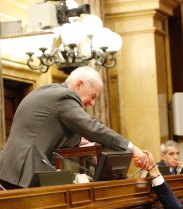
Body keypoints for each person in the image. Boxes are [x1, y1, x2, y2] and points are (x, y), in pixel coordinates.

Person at [0, 66, 149, 189]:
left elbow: (47, 131)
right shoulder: (64, 96)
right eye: (93, 96)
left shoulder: (51, 91)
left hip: (12, 170)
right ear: (79, 85)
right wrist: (132, 149)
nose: (92, 103)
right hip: (23, 172)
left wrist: (78, 141)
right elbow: (92, 127)